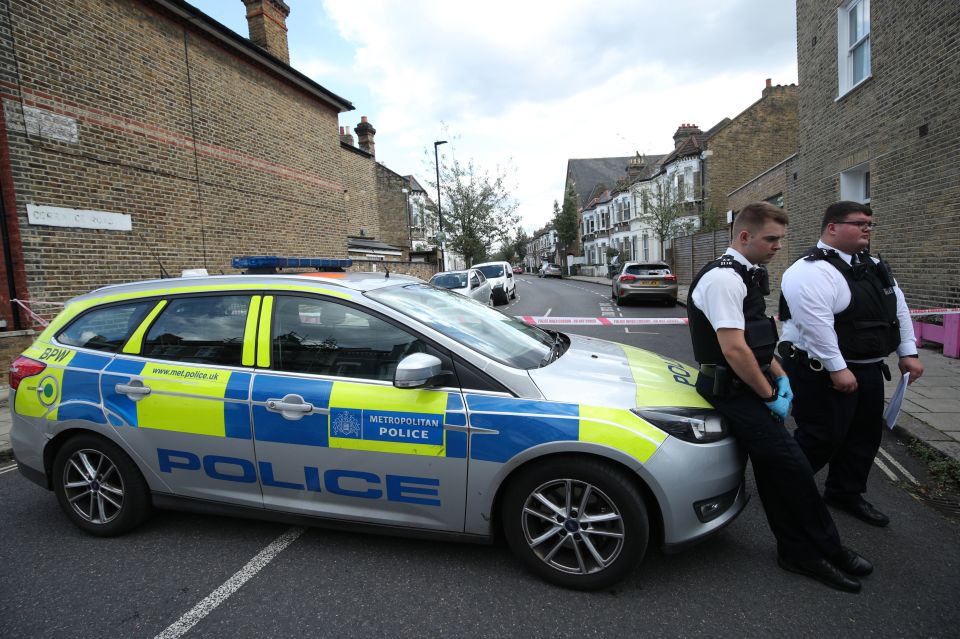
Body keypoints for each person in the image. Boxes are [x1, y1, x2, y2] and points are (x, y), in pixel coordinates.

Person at [688, 202, 870, 593]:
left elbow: (756, 340)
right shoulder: (724, 279)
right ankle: (824, 548)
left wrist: (781, 375)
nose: (777, 247)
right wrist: (770, 394)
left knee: (776, 473)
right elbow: (734, 350)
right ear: (744, 236)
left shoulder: (748, 275)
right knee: (794, 470)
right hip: (731, 391)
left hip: (746, 387)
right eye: (771, 239)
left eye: (780, 240)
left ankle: (796, 550)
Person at [779, 201, 924, 527]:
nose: (867, 228)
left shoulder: (874, 266)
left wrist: (908, 351)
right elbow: (815, 324)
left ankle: (845, 492)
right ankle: (785, 488)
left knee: (864, 437)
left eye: (870, 223)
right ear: (832, 227)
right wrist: (836, 367)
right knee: (822, 436)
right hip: (821, 371)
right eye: (859, 223)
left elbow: (896, 309)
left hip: (868, 368)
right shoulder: (809, 270)